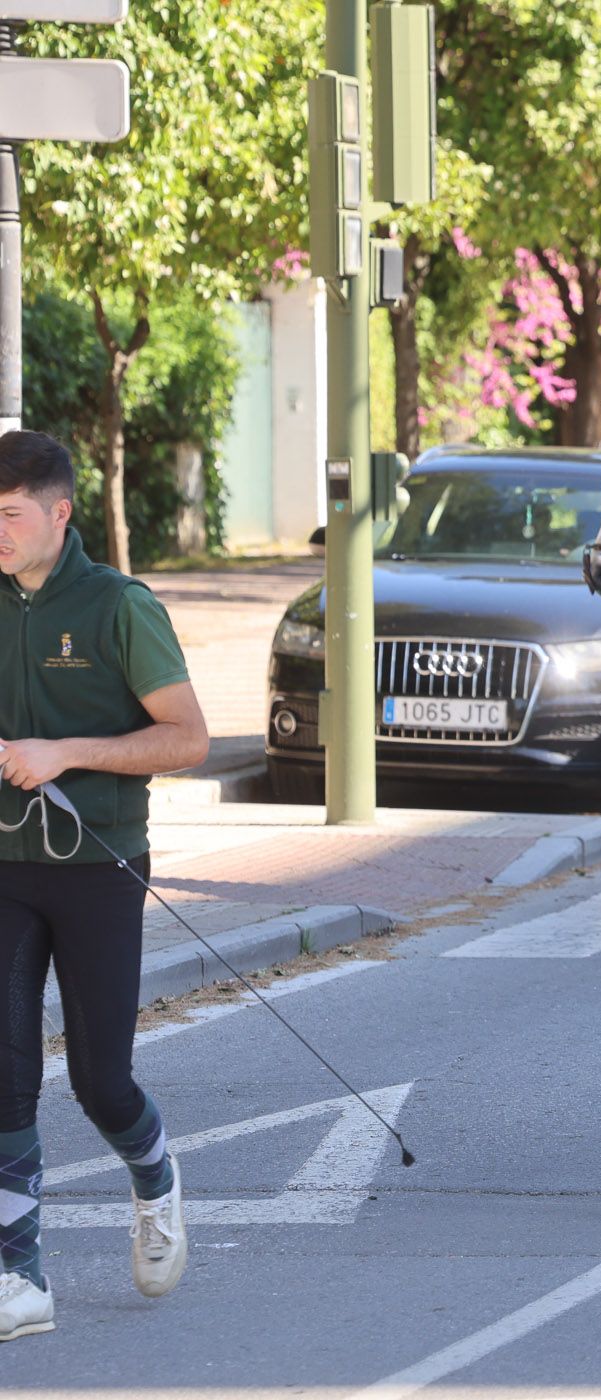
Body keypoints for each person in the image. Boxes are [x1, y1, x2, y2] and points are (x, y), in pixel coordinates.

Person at [0, 430, 209, 1341]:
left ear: (60, 512)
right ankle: (20, 1278)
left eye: (9, 516)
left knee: (99, 1079)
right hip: (5, 867)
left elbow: (188, 738)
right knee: (4, 1074)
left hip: (100, 870)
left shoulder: (121, 605)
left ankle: (155, 1171)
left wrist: (65, 754)